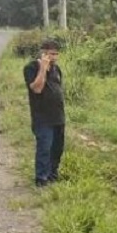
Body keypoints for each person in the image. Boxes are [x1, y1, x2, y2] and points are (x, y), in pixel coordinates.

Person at [23, 38, 65, 187]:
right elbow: (37, 88)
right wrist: (43, 68)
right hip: (42, 118)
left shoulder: (57, 69)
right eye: (51, 54)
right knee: (44, 149)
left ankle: (53, 175)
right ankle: (41, 179)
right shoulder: (31, 68)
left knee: (57, 149)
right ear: (43, 53)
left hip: (58, 116)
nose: (55, 57)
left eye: (56, 54)